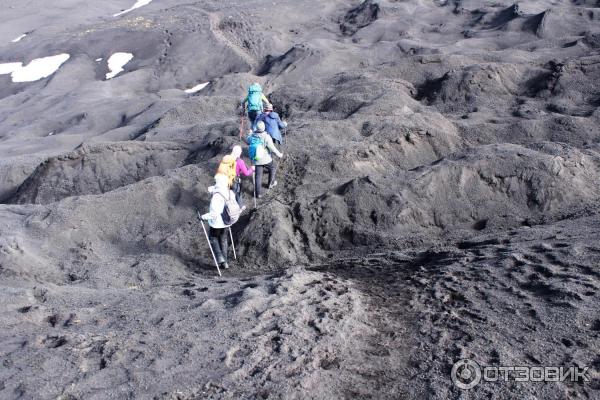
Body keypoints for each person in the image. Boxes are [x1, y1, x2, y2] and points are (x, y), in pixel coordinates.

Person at [201, 174, 237, 270]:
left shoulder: (216, 197)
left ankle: (220, 258)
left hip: (217, 223)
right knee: (223, 239)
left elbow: (214, 213)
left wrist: (203, 217)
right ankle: (225, 262)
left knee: (213, 238)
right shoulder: (230, 192)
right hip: (227, 221)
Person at [247, 121, 283, 198]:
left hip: (256, 160)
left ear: (256, 127)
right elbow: (272, 148)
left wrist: (250, 134)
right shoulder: (266, 136)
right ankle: (271, 184)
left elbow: (248, 140)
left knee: (258, 176)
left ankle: (258, 194)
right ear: (264, 128)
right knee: (272, 168)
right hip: (266, 159)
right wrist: (279, 154)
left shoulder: (252, 136)